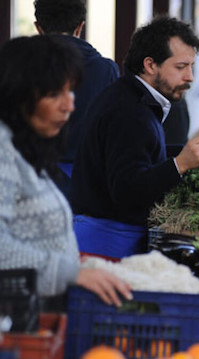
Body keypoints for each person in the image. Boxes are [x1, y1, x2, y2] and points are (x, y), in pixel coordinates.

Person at [0, 35, 131, 306]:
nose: (69, 105)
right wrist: (71, 273)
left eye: (71, 91)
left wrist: (78, 264)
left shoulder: (24, 151)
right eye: (53, 94)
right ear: (17, 95)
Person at [72, 17, 199, 260]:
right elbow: (127, 190)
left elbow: (138, 152)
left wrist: (182, 153)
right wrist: (180, 164)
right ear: (150, 65)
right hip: (106, 245)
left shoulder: (129, 98)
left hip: (107, 238)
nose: (190, 77)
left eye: (191, 66)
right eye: (180, 67)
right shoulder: (129, 112)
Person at [34, 0, 120, 202]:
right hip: (84, 188)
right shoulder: (105, 70)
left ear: (38, 27)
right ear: (81, 26)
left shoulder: (17, 66)